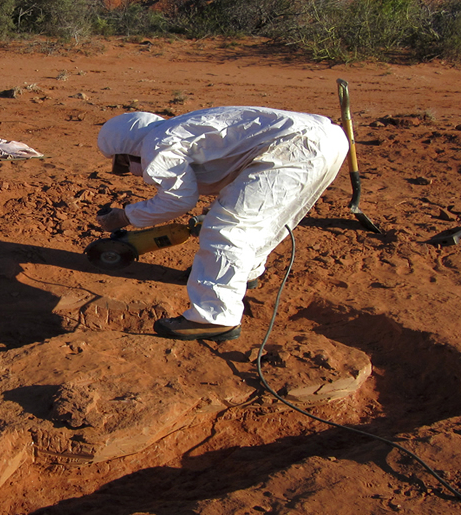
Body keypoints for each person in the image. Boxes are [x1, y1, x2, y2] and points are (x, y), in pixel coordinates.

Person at [96, 106, 349, 341]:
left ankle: (213, 317)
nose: (128, 168)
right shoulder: (175, 131)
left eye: (123, 161)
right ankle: (244, 272)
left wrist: (125, 216)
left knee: (227, 226)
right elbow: (232, 169)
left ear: (128, 147)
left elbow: (177, 200)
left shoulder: (156, 144)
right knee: (261, 217)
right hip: (325, 139)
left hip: (297, 147)